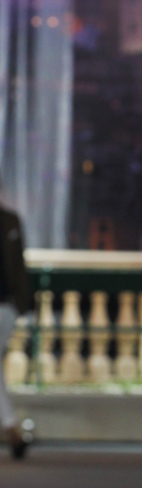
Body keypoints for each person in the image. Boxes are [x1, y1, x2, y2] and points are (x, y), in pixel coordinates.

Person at [0, 182, 32, 458]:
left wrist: (22, 305)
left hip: (4, 306)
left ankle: (12, 428)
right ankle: (12, 430)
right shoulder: (10, 221)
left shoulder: (10, 221)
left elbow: (17, 267)